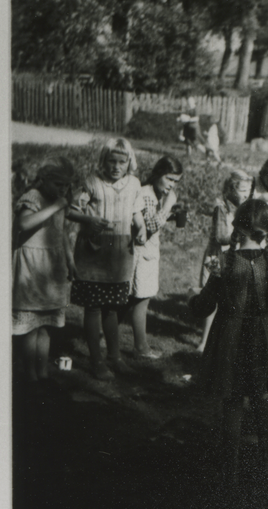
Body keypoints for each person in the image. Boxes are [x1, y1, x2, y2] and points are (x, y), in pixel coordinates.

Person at [189, 199, 268, 488]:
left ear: (237, 227)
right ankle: (265, 463)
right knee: (263, 397)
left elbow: (203, 307)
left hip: (230, 338)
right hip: (263, 338)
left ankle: (230, 470)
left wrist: (194, 300)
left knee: (232, 401)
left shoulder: (223, 264)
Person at [67, 138, 147, 380]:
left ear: (129, 163)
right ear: (103, 161)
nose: (116, 166)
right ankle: (96, 361)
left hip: (120, 252)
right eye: (111, 161)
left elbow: (136, 211)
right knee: (93, 307)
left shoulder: (134, 184)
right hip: (94, 250)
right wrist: (89, 220)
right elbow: (71, 210)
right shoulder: (92, 182)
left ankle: (115, 357)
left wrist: (141, 227)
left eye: (121, 162)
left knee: (113, 307)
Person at [12, 157, 78, 390]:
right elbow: (24, 224)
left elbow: (61, 233)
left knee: (46, 324)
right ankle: (29, 373)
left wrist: (69, 260)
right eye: (59, 184)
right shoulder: (33, 197)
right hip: (32, 267)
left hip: (52, 267)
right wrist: (55, 206)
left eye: (67, 186)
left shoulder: (58, 201)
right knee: (30, 325)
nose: (64, 190)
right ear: (44, 180)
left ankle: (43, 372)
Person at [122, 155, 183, 360]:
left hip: (146, 253)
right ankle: (141, 347)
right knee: (141, 300)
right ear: (158, 173)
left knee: (130, 299)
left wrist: (170, 212)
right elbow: (149, 226)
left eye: (176, 181)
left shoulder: (155, 193)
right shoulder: (147, 194)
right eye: (170, 179)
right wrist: (167, 207)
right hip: (142, 254)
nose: (172, 185)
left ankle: (107, 336)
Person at [197, 169, 253, 352]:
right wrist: (244, 235)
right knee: (211, 298)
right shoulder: (221, 206)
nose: (245, 194)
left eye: (248, 190)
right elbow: (221, 237)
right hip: (218, 257)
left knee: (233, 299)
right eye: (241, 190)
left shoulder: (247, 206)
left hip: (236, 257)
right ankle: (204, 341)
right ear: (230, 189)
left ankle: (227, 340)